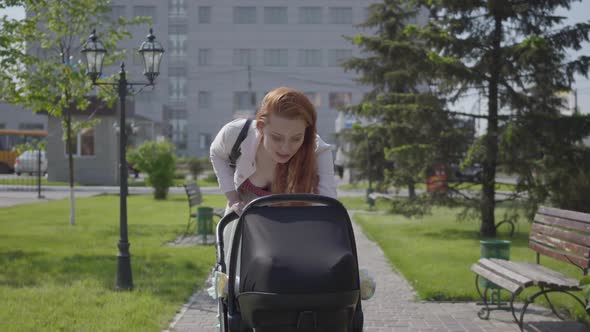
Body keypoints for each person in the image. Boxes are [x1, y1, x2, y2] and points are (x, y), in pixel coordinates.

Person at [210, 86, 337, 217]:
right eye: (277, 138)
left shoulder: (318, 151)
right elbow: (217, 153)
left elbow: (328, 207)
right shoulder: (235, 133)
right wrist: (233, 198)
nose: (286, 148)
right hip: (244, 224)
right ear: (261, 127)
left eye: (296, 138)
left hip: (293, 227)